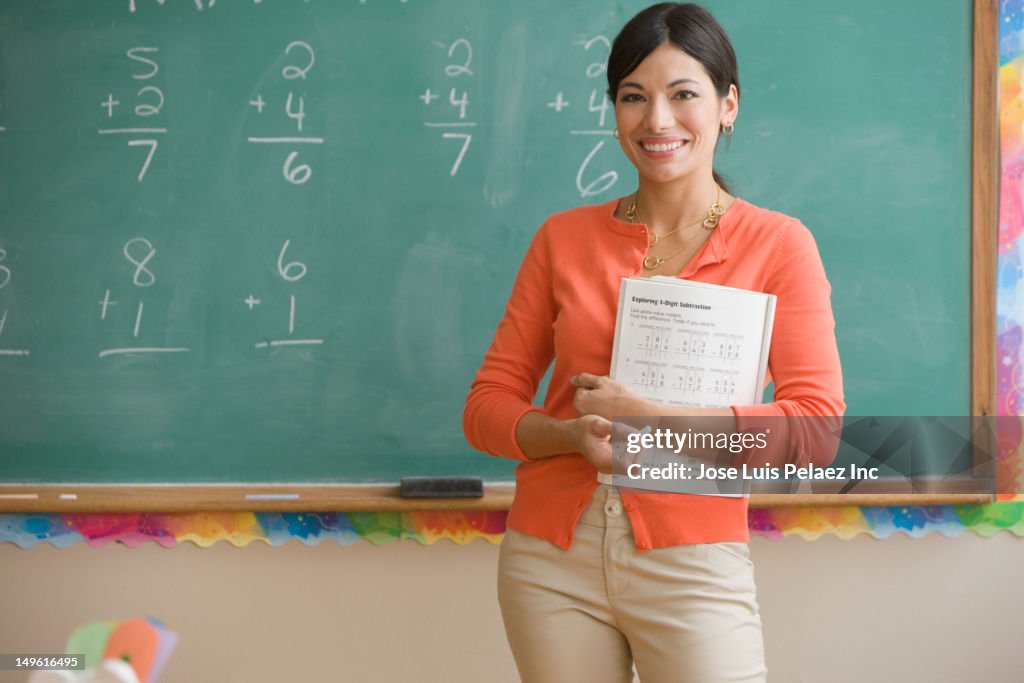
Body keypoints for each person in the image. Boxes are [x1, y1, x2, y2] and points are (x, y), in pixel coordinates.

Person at [463, 3, 844, 681]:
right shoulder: (562, 238)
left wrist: (652, 426)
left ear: (728, 105)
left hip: (693, 558)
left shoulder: (779, 245)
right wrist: (572, 435)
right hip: (550, 559)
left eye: (683, 94)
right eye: (633, 97)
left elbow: (815, 430)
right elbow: (487, 406)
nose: (657, 121)